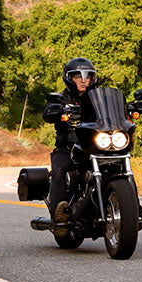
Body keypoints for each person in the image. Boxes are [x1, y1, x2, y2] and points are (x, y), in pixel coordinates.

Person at [42, 57, 98, 226]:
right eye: (78, 76)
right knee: (59, 171)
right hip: (67, 149)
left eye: (87, 76)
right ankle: (57, 217)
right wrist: (55, 110)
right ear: (69, 78)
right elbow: (47, 114)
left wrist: (129, 109)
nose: (83, 79)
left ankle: (134, 209)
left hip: (94, 148)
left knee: (120, 167)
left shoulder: (97, 99)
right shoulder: (61, 99)